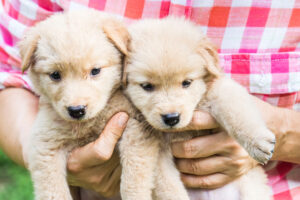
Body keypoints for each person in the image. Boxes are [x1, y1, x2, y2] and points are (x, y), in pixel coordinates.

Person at [0, 0, 300, 199]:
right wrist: (41, 148)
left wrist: (282, 133)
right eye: (145, 85)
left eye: (94, 71)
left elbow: (223, 93)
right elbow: (9, 75)